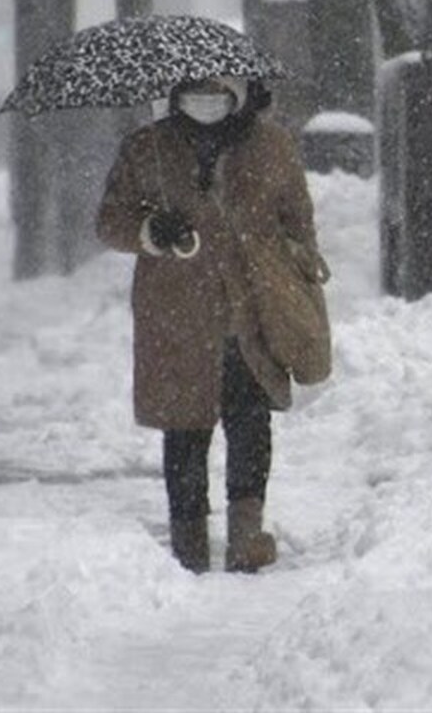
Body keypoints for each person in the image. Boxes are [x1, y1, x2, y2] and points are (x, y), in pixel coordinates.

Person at [96, 76, 322, 574]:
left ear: (241, 91)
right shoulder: (147, 148)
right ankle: (188, 544)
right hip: (174, 311)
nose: (207, 100)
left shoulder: (272, 146)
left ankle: (246, 536)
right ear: (175, 94)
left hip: (251, 306)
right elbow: (110, 220)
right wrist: (151, 231)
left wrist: (289, 265)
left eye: (218, 91)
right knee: (183, 427)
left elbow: (298, 221)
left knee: (250, 420)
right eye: (194, 91)